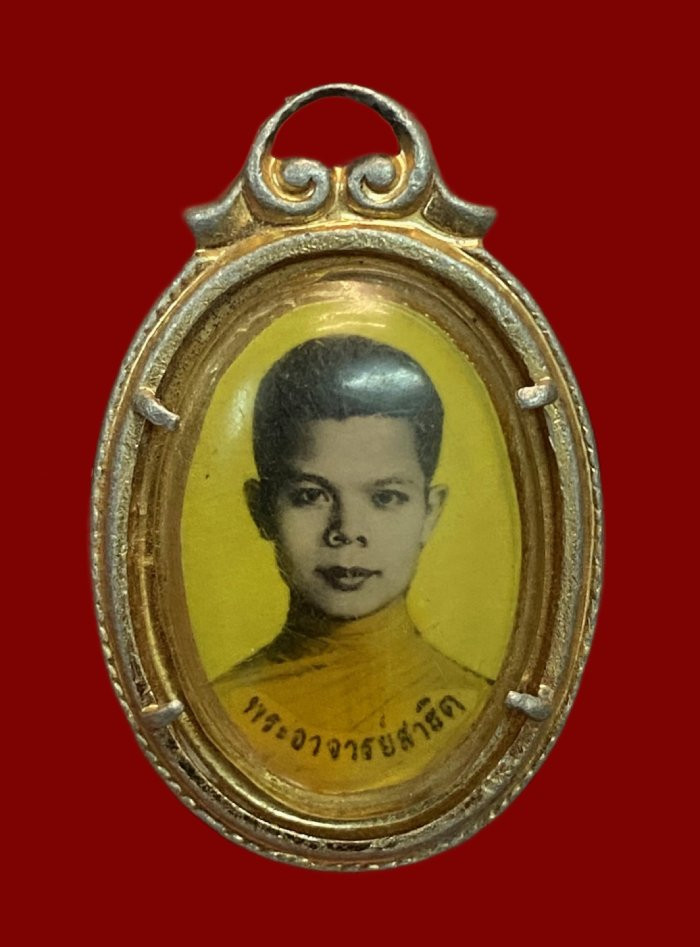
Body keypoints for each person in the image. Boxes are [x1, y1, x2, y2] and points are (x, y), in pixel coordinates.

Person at [213, 335, 493, 793]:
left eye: (385, 497)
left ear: (429, 512)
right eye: (311, 495)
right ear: (260, 510)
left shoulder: (481, 714)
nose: (347, 530)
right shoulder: (216, 719)